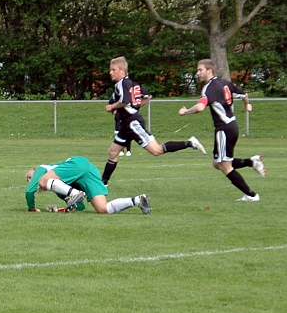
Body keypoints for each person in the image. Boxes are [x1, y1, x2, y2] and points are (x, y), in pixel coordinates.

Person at [102, 56, 206, 185]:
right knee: (113, 152)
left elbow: (125, 101)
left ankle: (190, 143)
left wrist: (112, 106)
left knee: (157, 150)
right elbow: (146, 97)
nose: (110, 72)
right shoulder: (131, 84)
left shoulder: (122, 83)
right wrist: (130, 108)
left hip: (132, 123)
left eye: (113, 70)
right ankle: (103, 183)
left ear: (122, 71)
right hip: (125, 124)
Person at [179, 59, 266, 201]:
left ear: (209, 70)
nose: (197, 73)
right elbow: (244, 95)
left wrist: (185, 112)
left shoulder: (209, 87)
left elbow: (200, 107)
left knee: (225, 166)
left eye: (200, 70)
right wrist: (247, 106)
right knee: (216, 163)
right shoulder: (225, 83)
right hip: (231, 126)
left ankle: (252, 195)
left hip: (224, 130)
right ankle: (251, 162)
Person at [25, 156, 151, 214]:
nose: (30, 180)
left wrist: (32, 209)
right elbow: (80, 206)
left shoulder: (42, 169)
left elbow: (29, 191)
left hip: (77, 164)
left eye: (30, 176)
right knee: (103, 209)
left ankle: (74, 193)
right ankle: (137, 200)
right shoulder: (59, 187)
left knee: (43, 182)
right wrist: (60, 210)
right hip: (89, 171)